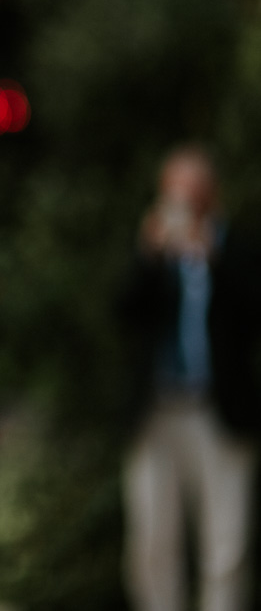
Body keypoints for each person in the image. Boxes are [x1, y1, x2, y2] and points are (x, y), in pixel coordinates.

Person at [118, 145, 260, 611]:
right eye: (173, 192)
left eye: (191, 194)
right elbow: (122, 313)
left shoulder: (236, 250)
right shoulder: (154, 255)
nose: (182, 203)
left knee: (226, 543)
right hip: (157, 411)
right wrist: (149, 255)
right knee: (152, 538)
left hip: (219, 411)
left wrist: (212, 256)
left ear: (210, 196)